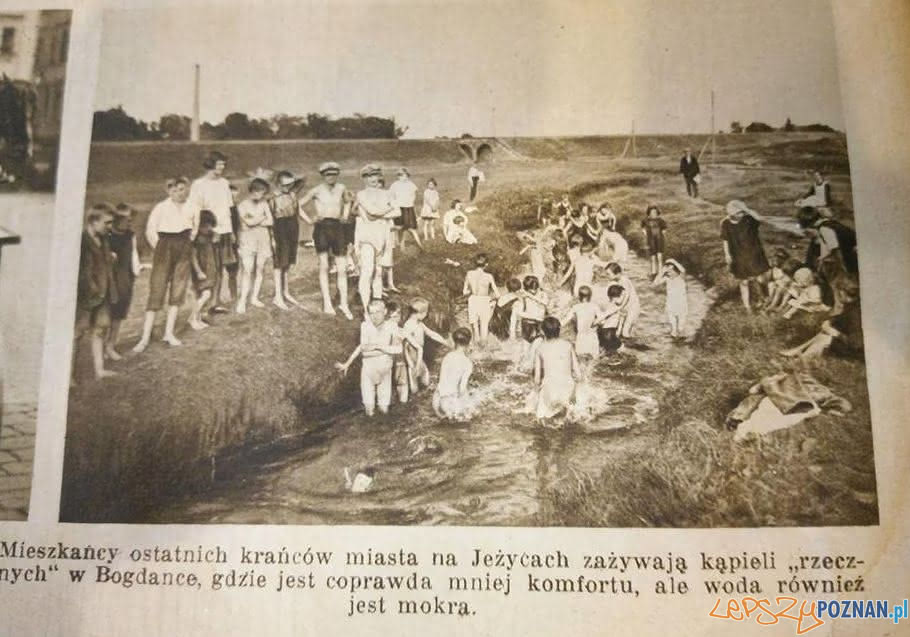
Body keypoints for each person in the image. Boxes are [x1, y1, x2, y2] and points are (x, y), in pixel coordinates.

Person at [133, 177, 198, 352]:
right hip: (164, 247)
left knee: (178, 291)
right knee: (157, 290)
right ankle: (144, 338)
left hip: (183, 246)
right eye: (175, 190)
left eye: (182, 189)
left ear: (187, 189)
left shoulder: (192, 206)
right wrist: (160, 249)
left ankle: (169, 333)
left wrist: (186, 244)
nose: (179, 193)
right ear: (168, 191)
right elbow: (150, 230)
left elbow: (195, 229)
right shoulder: (161, 208)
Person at [299, 161, 354, 318]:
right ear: (323, 176)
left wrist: (345, 215)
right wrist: (309, 220)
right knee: (324, 265)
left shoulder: (341, 187)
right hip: (322, 228)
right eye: (328, 174)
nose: (331, 177)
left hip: (338, 228)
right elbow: (297, 204)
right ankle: (327, 303)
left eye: (334, 174)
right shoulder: (316, 190)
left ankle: (344, 304)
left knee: (342, 267)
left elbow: (348, 200)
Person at [74, 204, 118, 381]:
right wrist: (91, 290)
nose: (110, 227)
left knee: (100, 329)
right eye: (107, 223)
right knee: (77, 333)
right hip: (86, 296)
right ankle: (68, 376)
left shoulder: (104, 240)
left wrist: (111, 259)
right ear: (93, 221)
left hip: (103, 292)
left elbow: (104, 265)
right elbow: (82, 272)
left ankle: (99, 370)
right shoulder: (82, 241)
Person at [189, 150, 236, 314]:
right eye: (219, 164)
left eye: (224, 164)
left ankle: (214, 303)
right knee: (210, 269)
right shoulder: (198, 185)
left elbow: (229, 208)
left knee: (222, 267)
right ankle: (202, 307)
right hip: (208, 233)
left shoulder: (224, 183)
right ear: (210, 164)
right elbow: (197, 211)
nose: (222, 167)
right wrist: (210, 231)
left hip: (225, 230)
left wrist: (231, 231)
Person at [335, 299, 400, 416]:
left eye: (378, 312)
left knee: (384, 410)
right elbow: (364, 350)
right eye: (371, 313)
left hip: (385, 371)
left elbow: (398, 349)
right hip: (368, 371)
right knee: (369, 411)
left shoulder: (392, 326)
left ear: (385, 311)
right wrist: (347, 364)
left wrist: (377, 346)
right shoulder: (365, 326)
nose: (375, 316)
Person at [781, 277, 862, 360]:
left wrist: (836, 333)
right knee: (825, 333)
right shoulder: (851, 306)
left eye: (837, 293)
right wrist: (829, 321)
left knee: (826, 337)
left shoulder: (855, 313)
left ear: (842, 292)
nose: (836, 296)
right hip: (848, 344)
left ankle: (802, 359)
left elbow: (856, 344)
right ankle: (799, 350)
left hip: (855, 352)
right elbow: (841, 319)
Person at [353, 164, 396, 311]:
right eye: (368, 176)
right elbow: (371, 211)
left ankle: (377, 306)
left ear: (379, 177)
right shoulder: (361, 194)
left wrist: (379, 213)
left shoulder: (386, 193)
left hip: (382, 236)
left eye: (375, 175)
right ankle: (366, 308)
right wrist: (387, 209)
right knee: (367, 270)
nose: (372, 179)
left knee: (378, 272)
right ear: (364, 178)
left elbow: (398, 212)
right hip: (367, 236)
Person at [105, 203, 141, 360]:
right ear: (117, 220)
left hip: (124, 277)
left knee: (119, 313)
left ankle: (110, 345)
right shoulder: (107, 235)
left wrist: (135, 271)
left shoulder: (130, 235)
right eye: (127, 220)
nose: (130, 223)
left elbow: (133, 255)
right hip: (108, 277)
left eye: (131, 220)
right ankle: (101, 345)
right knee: (105, 313)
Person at [234, 175, 274, 314]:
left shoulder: (264, 204)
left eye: (264, 192)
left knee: (260, 269)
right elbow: (248, 223)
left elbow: (271, 222)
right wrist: (262, 218)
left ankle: (254, 298)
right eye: (260, 191)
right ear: (253, 190)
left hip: (263, 239)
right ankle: (242, 301)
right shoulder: (242, 205)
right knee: (247, 270)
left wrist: (256, 220)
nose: (262, 195)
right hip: (248, 240)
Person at [721, 199, 770, 311]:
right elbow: (725, 240)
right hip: (738, 256)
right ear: (731, 214)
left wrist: (747, 209)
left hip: (754, 254)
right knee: (743, 281)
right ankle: (747, 306)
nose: (741, 214)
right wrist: (727, 254)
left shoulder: (749, 219)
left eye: (742, 212)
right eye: (739, 213)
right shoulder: (726, 224)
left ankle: (764, 298)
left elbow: (760, 218)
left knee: (761, 278)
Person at [269, 170, 304, 310]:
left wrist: (310, 221)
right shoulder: (273, 198)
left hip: (292, 226)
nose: (288, 187)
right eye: (285, 184)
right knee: (279, 263)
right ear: (278, 183)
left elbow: (298, 211)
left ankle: (286, 292)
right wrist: (271, 237)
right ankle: (277, 296)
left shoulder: (293, 195)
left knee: (288, 262)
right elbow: (270, 219)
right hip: (279, 228)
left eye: (290, 184)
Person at [533, 316, 581, 420]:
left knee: (541, 418)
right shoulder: (568, 345)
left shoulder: (540, 349)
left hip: (550, 389)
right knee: (573, 416)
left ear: (543, 332)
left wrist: (535, 396)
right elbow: (578, 374)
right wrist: (574, 392)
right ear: (559, 330)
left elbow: (537, 379)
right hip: (568, 388)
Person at [401, 297, 450, 396]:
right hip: (411, 357)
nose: (427, 315)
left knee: (425, 377)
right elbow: (404, 346)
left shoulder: (419, 323)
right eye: (426, 312)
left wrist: (445, 342)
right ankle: (414, 398)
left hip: (419, 356)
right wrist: (411, 362)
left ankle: (421, 394)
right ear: (420, 313)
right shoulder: (408, 325)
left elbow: (431, 334)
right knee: (414, 379)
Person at [433, 327, 474, 420]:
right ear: (469, 343)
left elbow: (441, 381)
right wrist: (469, 408)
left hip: (437, 400)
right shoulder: (467, 363)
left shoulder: (447, 357)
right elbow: (462, 389)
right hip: (450, 404)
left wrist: (436, 410)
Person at [188, 209, 218, 330]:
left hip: (209, 267)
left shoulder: (209, 236)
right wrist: (198, 271)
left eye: (210, 225)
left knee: (203, 294)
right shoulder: (195, 239)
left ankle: (198, 318)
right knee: (206, 294)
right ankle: (192, 317)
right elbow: (193, 256)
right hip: (200, 269)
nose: (209, 228)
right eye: (205, 226)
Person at [463, 253, 500, 347]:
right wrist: (492, 300)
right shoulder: (489, 276)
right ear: (486, 264)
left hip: (473, 300)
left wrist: (471, 291)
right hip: (484, 301)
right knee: (484, 327)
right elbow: (497, 294)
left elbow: (464, 292)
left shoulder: (469, 274)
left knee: (475, 329)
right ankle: (484, 354)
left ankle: (476, 352)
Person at [561, 285, 600, 358]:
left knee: (580, 357)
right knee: (594, 357)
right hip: (592, 334)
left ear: (579, 296)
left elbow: (566, 319)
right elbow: (602, 319)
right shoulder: (594, 306)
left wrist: (557, 324)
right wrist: (595, 323)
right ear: (590, 296)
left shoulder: (576, 307)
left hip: (581, 335)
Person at [389, 167, 422, 250]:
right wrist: (394, 205)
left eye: (404, 175)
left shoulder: (411, 184)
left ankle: (420, 245)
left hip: (409, 208)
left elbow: (414, 195)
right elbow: (391, 196)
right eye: (400, 176)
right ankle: (401, 247)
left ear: (407, 176)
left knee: (412, 228)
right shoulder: (395, 185)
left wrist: (411, 202)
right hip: (399, 208)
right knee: (400, 228)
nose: (403, 178)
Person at [653, 259, 688, 338]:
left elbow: (683, 270)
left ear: (676, 270)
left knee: (680, 328)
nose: (669, 273)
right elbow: (655, 283)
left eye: (671, 271)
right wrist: (661, 272)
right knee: (673, 329)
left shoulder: (680, 277)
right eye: (668, 272)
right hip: (671, 304)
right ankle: (674, 340)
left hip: (681, 304)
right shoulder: (667, 278)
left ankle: (680, 338)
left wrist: (673, 261)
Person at [604, 262, 640, 338]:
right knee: (620, 331)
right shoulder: (617, 281)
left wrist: (621, 307)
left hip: (632, 308)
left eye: (608, 274)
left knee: (625, 332)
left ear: (617, 273)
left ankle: (636, 348)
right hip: (626, 307)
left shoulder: (624, 280)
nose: (607, 276)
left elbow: (627, 295)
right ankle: (625, 344)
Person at [596, 284, 626, 354]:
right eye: (622, 297)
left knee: (605, 351)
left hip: (603, 332)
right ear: (615, 297)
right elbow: (603, 316)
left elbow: (602, 319)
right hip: (609, 333)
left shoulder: (607, 305)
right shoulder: (615, 308)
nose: (624, 299)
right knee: (621, 349)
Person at [641, 204, 668, 278]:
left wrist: (663, 234)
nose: (654, 214)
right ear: (649, 213)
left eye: (655, 212)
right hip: (651, 240)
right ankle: (653, 273)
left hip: (659, 239)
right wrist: (645, 233)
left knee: (659, 256)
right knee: (652, 257)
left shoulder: (660, 220)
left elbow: (664, 229)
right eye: (652, 212)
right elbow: (643, 227)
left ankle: (661, 272)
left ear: (657, 213)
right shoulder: (646, 220)